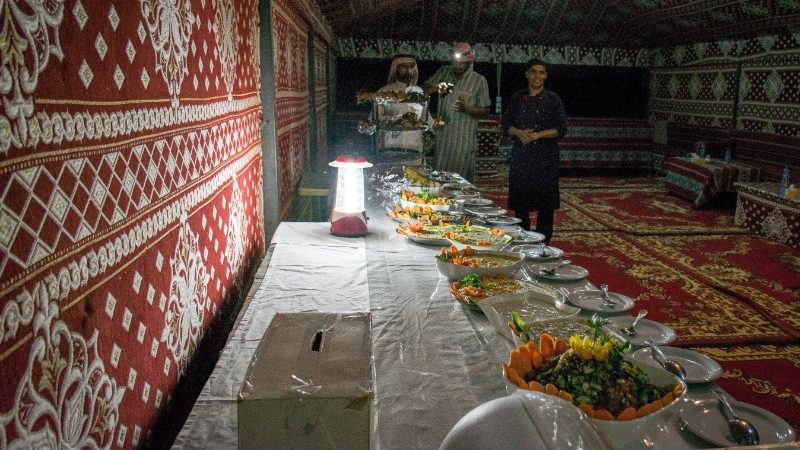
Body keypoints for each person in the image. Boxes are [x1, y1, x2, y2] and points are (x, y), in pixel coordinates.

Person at [501, 58, 567, 244]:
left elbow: (561, 129)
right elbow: (506, 124)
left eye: (541, 72)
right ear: (527, 74)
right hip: (522, 158)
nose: (537, 76)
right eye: (534, 72)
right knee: (521, 205)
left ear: (545, 76)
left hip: (546, 159)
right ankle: (523, 244)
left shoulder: (553, 99)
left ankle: (543, 247)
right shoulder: (517, 98)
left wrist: (537, 135)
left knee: (545, 207)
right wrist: (519, 133)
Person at [424, 43, 490, 182]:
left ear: (469, 62)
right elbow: (426, 89)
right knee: (439, 180)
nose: (457, 66)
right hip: (443, 138)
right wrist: (437, 86)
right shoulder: (444, 72)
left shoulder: (479, 81)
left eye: (461, 63)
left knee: (461, 183)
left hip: (463, 141)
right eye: (455, 62)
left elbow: (485, 111)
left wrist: (467, 109)